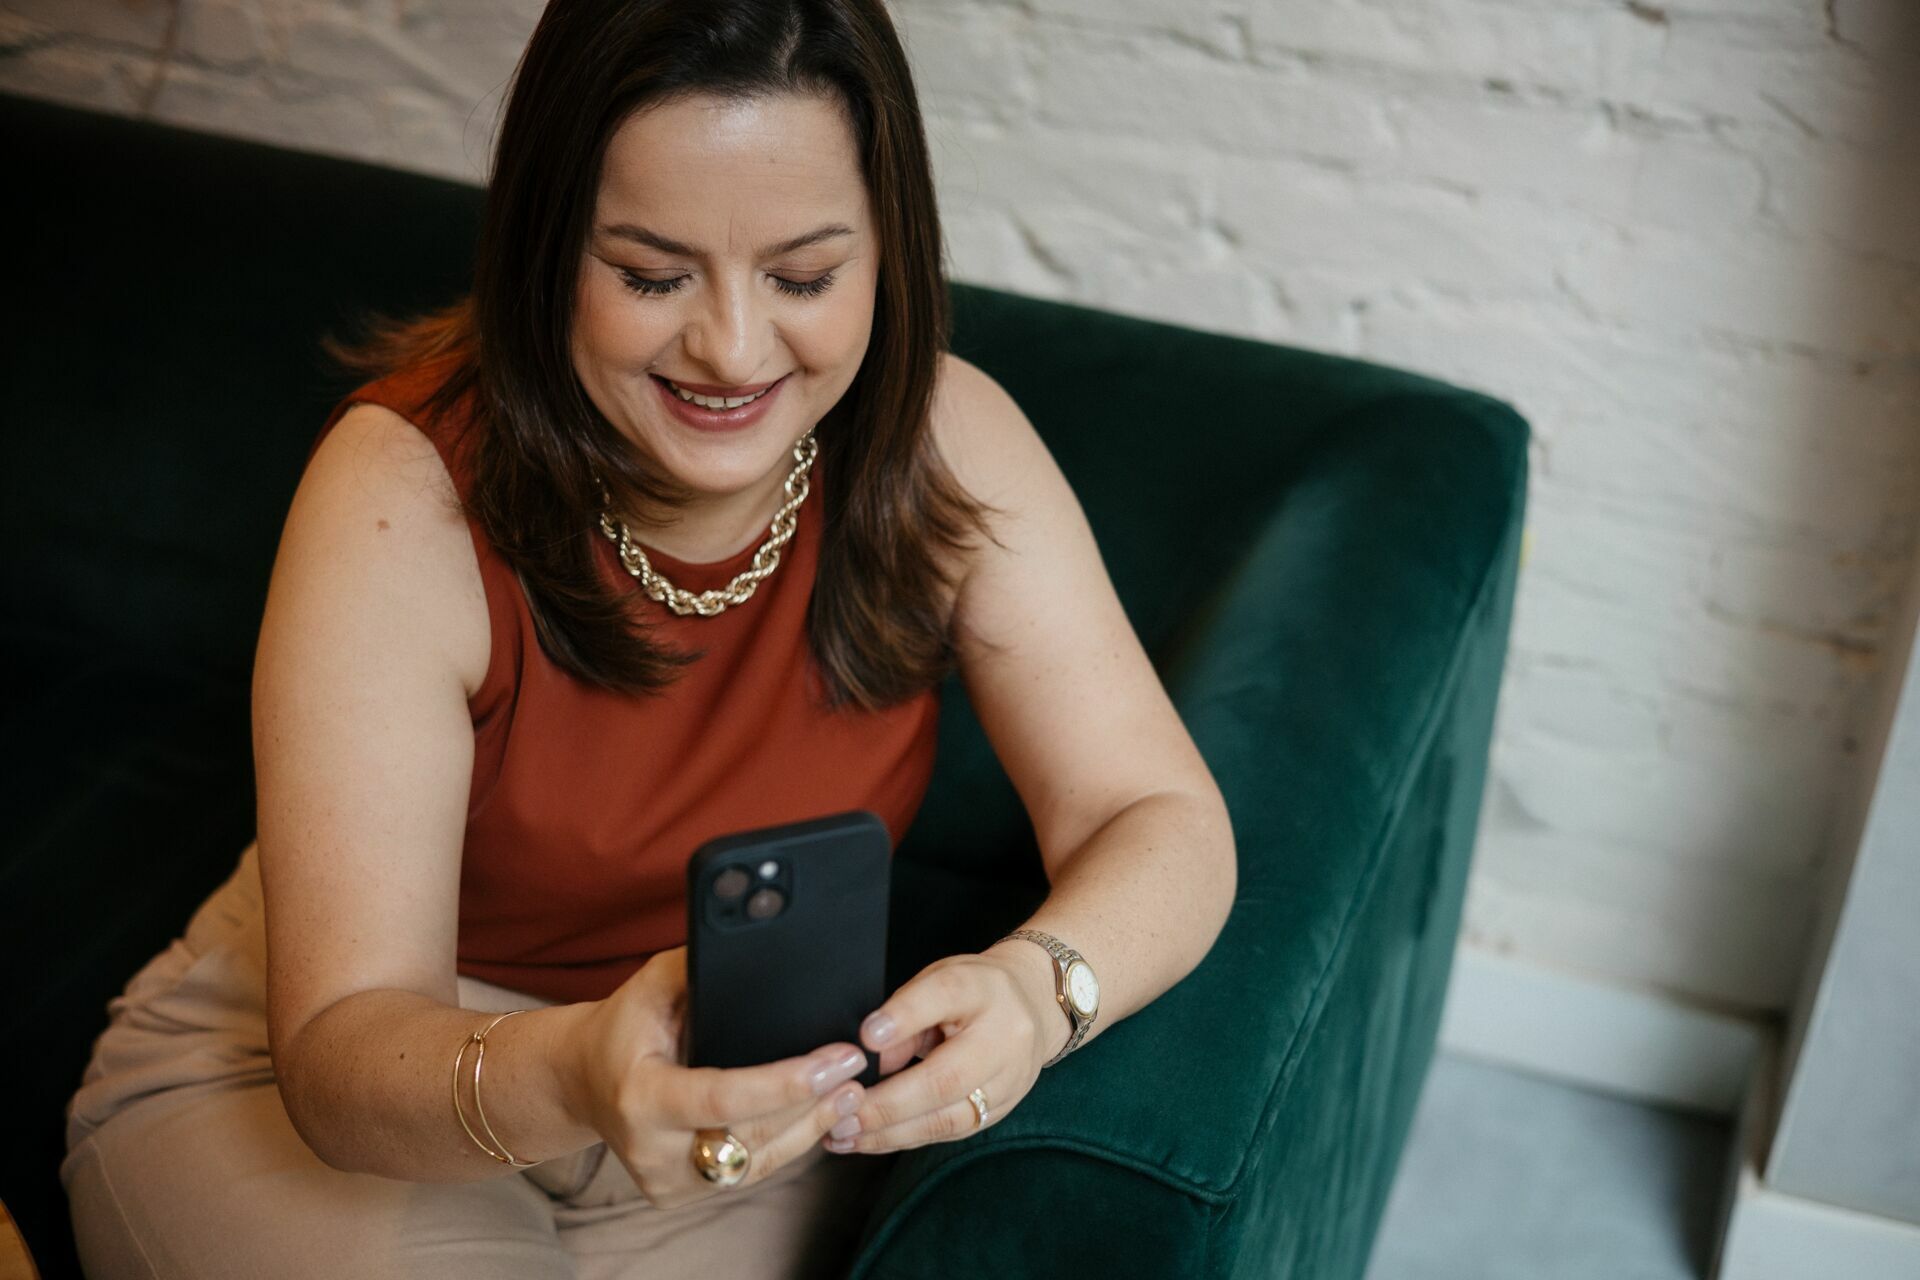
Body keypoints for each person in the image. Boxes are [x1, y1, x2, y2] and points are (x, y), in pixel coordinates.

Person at [59, 0, 1238, 1275]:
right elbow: (340, 1051)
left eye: (803, 275)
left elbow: (1158, 811)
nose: (730, 346)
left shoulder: (948, 442)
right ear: (548, 248)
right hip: (347, 1086)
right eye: (650, 273)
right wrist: (573, 1066)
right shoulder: (402, 493)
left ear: (887, 251)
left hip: (735, 1096)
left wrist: (1037, 985)